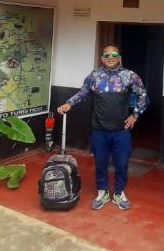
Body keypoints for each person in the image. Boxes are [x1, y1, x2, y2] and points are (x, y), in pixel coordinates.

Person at [57, 45, 148, 210]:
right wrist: (69, 103)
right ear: (102, 58)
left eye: (114, 54)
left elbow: (143, 95)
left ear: (119, 57)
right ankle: (102, 192)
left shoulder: (129, 76)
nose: (110, 57)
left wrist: (135, 115)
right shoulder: (94, 76)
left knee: (121, 164)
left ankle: (119, 193)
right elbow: (83, 93)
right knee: (100, 163)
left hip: (121, 131)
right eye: (107, 55)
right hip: (99, 130)